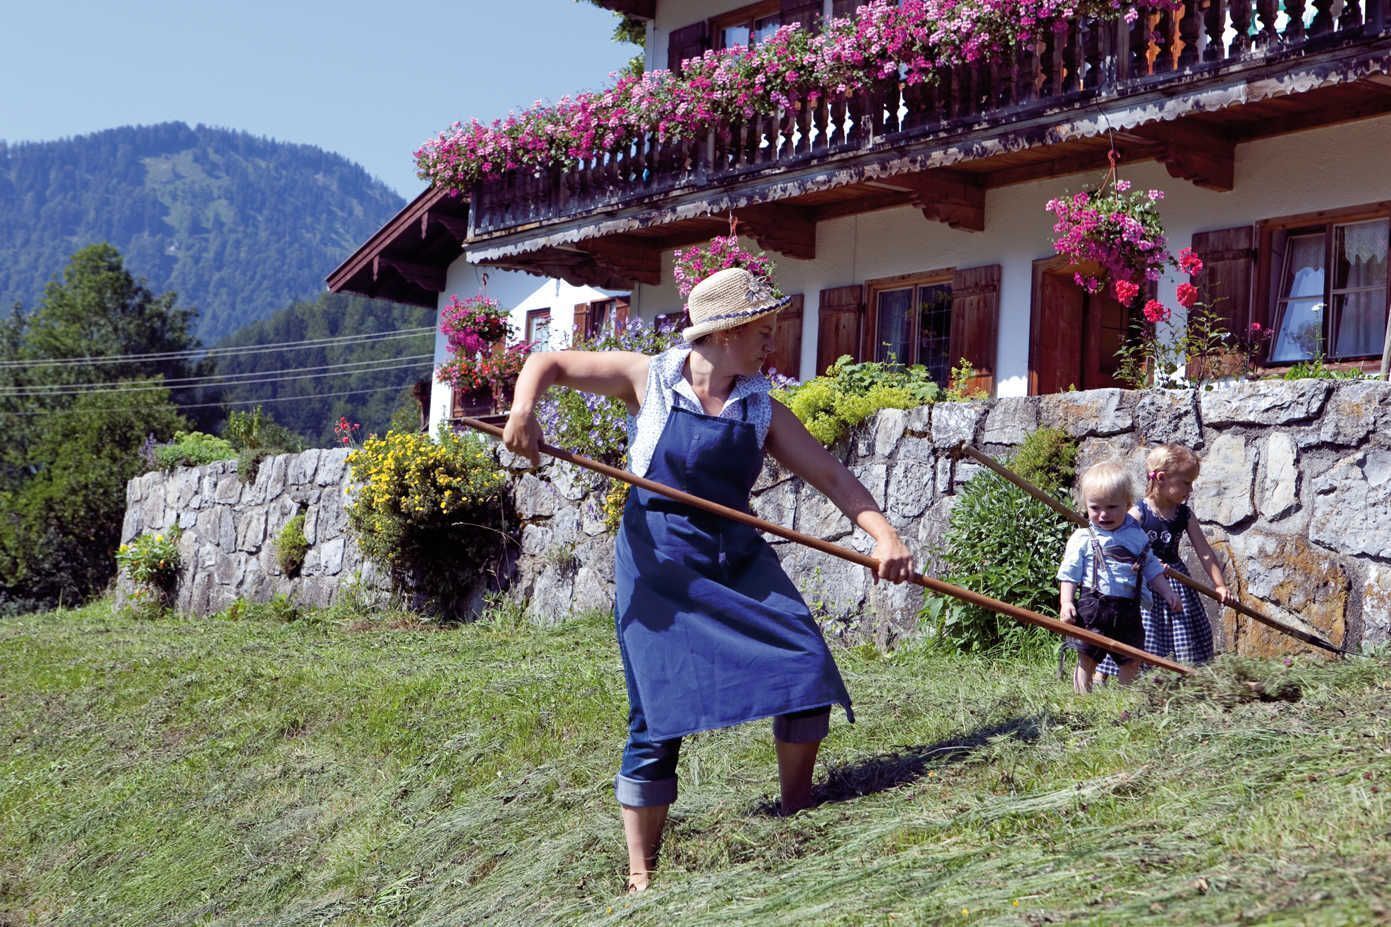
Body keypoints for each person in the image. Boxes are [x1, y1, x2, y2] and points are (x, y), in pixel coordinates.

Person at [502, 267, 915, 893]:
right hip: (660, 560)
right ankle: (642, 873)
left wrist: (884, 535)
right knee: (656, 711)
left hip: (733, 553)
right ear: (724, 334)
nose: (771, 343)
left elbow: (831, 477)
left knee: (804, 666)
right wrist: (524, 409)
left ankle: (795, 806)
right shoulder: (651, 378)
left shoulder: (760, 407)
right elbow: (549, 362)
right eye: (763, 330)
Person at [1095, 443, 1229, 681]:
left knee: (1184, 628)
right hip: (1145, 583)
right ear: (1162, 478)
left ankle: (1182, 675)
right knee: (1143, 630)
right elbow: (1122, 546)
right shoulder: (1137, 514)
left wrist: (1219, 585)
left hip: (1176, 581)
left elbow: (1205, 552)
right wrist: (1151, 563)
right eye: (1186, 482)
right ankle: (1119, 674)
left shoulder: (1184, 515)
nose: (1190, 489)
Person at [1057, 461, 1182, 693]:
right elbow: (1069, 573)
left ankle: (1126, 700)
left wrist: (1167, 592)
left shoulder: (1137, 537)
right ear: (1086, 505)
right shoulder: (1084, 538)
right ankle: (1080, 699)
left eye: (1112, 507)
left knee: (1131, 658)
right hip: (1093, 607)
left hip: (1128, 610)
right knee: (1087, 657)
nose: (1103, 514)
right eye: (1095, 508)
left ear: (1127, 504)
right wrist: (1066, 602)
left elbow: (1152, 568)